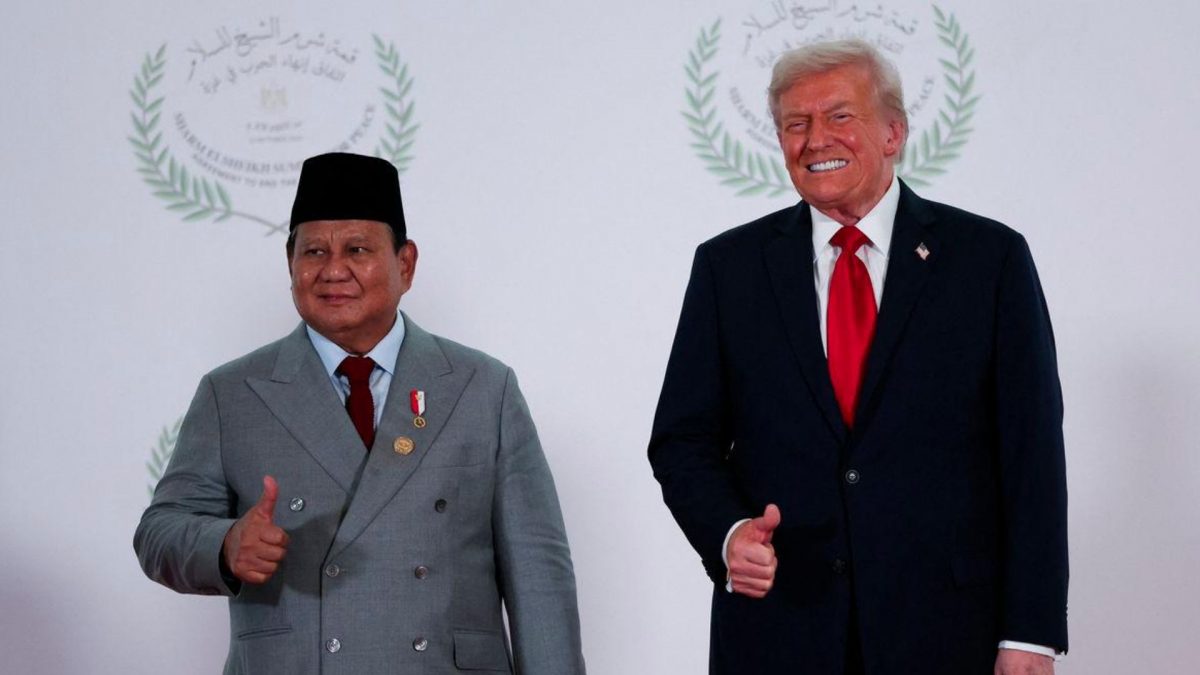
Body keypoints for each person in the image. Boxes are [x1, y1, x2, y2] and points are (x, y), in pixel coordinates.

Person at [648, 40, 1067, 674]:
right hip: (778, 634)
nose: (816, 140)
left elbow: (1031, 457)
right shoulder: (728, 269)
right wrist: (730, 535)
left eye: (840, 116)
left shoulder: (989, 261)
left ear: (894, 131)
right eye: (796, 123)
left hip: (947, 636)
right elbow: (682, 441)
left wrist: (1030, 633)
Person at [135, 152, 585, 675]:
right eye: (314, 252)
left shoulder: (482, 387)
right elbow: (159, 532)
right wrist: (224, 544)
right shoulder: (233, 392)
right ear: (290, 265)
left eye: (357, 249)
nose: (333, 270)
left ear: (406, 264)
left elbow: (538, 574)